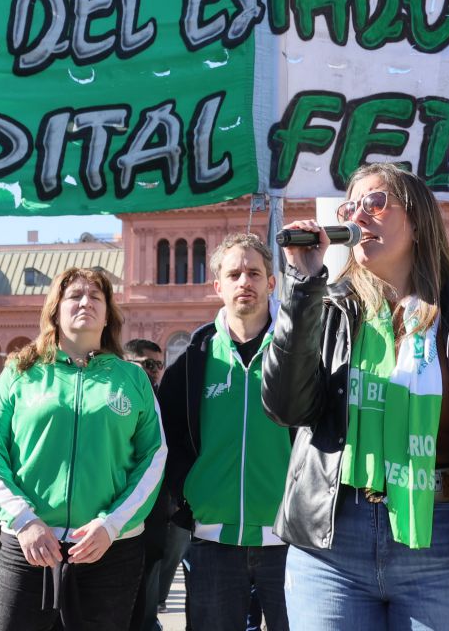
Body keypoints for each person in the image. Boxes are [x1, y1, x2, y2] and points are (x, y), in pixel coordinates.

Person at [262, 163, 449, 631]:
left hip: (443, 542)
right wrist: (302, 288)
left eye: (375, 203)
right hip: (333, 542)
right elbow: (285, 407)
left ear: (417, 221)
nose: (359, 216)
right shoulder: (329, 308)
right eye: (350, 207)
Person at [0, 266, 166, 631]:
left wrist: (112, 524)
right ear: (55, 309)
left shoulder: (132, 379)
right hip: (29, 544)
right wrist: (23, 519)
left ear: (108, 313)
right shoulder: (21, 371)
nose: (85, 302)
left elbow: (153, 458)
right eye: (75, 296)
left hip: (109, 549)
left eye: (96, 297)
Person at [158, 234, 293, 631]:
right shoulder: (192, 361)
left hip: (290, 542)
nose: (244, 282)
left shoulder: (299, 352)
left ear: (272, 283)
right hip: (213, 543)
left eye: (254, 272)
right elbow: (168, 441)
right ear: (218, 286)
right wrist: (186, 500)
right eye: (233, 274)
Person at [127, 331, 188, 631]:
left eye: (158, 366)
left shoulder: (166, 400)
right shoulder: (120, 399)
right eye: (146, 365)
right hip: (124, 514)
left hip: (161, 510)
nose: (153, 372)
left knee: (151, 581)